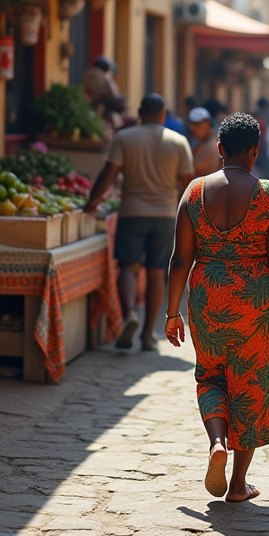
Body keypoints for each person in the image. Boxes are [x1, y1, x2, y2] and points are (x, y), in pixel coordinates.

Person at [165, 113, 269, 502]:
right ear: (255, 151)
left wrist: (171, 312)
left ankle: (216, 442)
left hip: (207, 297)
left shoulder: (194, 192)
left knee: (210, 376)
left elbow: (180, 259)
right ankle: (238, 483)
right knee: (251, 386)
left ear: (218, 149)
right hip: (256, 302)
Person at [84, 94, 195, 350]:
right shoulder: (178, 142)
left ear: (139, 113)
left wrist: (91, 203)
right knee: (157, 273)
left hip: (131, 211)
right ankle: (147, 335)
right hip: (165, 215)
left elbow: (108, 174)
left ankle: (129, 317)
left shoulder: (125, 137)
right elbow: (189, 184)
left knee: (128, 268)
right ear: (163, 114)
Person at [188, 107, 220, 177]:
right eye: (191, 124)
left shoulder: (213, 145)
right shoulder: (196, 142)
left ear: (207, 124)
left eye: (197, 124)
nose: (192, 128)